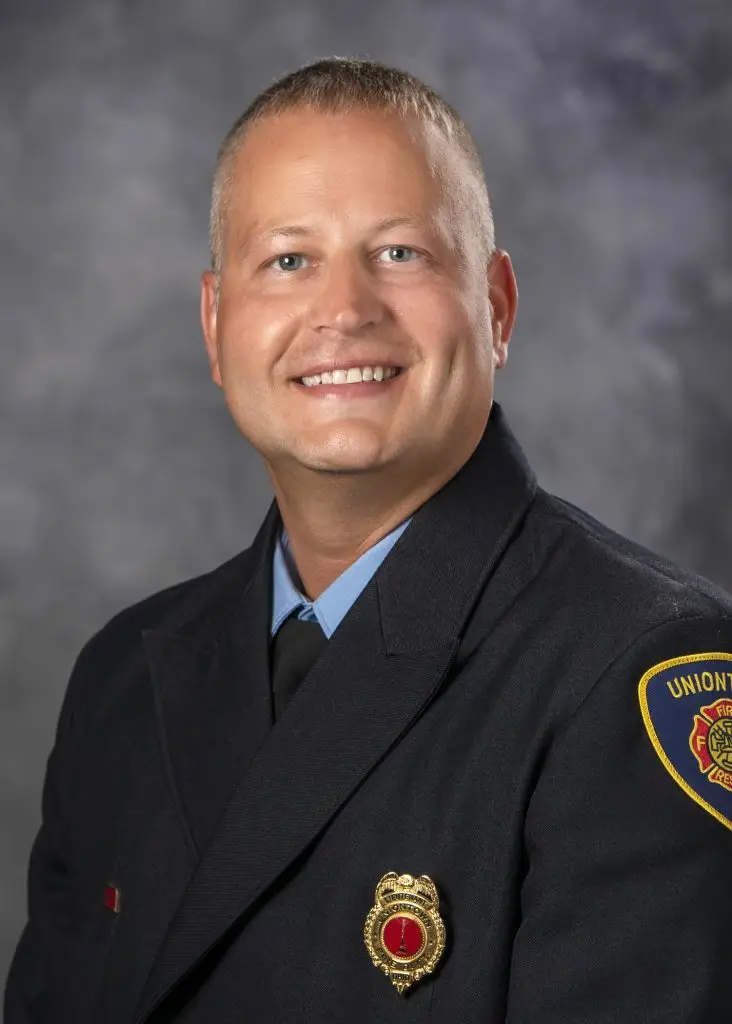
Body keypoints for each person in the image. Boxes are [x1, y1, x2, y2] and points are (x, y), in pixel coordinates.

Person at [5, 56, 732, 1024]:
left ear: (498, 306)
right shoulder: (121, 681)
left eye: (400, 253)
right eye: (288, 259)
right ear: (218, 326)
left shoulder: (644, 667)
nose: (344, 311)